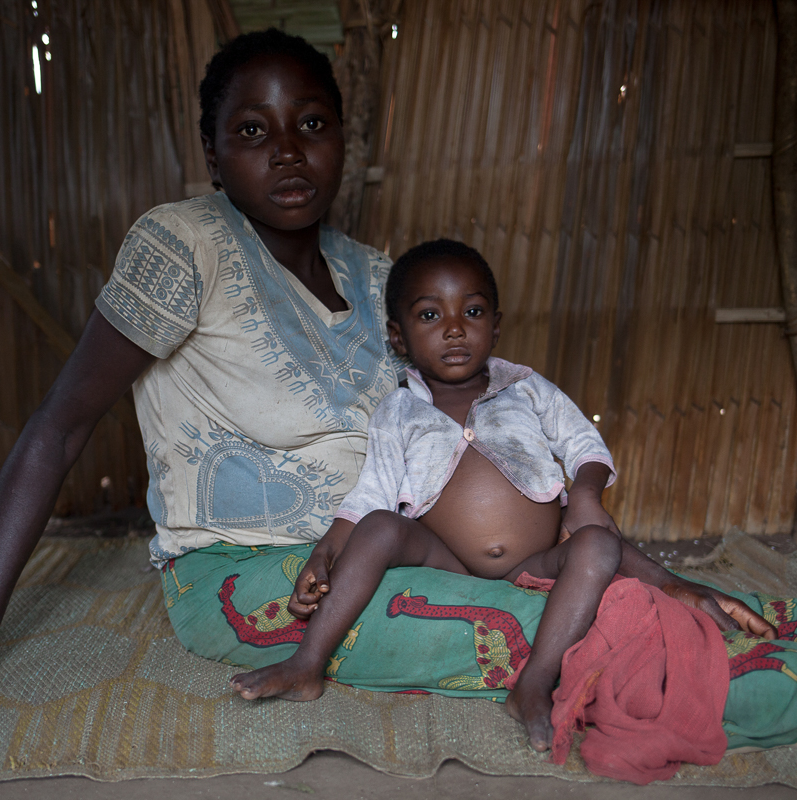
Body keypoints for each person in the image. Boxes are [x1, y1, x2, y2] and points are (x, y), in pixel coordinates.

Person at [0, 28, 797, 755]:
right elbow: (59, 428)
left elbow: (474, 432)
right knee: (596, 643)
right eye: (252, 133)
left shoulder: (377, 275)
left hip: (423, 544)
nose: (288, 153)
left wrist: (589, 526)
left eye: (313, 123)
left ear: (344, 137)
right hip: (271, 580)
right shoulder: (184, 245)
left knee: (682, 594)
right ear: (213, 155)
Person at [229, 238, 654, 750]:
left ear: (495, 325)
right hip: (447, 559)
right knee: (381, 526)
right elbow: (373, 495)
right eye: (430, 315)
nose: (455, 328)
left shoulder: (526, 388)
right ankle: (306, 664)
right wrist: (324, 553)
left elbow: (585, 444)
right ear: (398, 336)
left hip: (540, 559)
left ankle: (534, 684)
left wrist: (586, 495)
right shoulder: (399, 412)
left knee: (601, 547)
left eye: (472, 311)